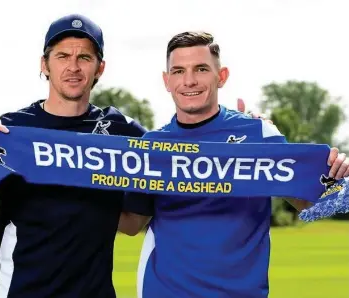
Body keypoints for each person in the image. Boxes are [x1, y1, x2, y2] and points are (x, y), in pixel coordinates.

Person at [0, 14, 152, 298]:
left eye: (84, 57)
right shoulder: (11, 132)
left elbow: (133, 224)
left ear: (100, 68)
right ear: (44, 64)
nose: (73, 66)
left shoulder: (122, 133)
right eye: (62, 56)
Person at [119, 32, 349, 298]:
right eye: (178, 71)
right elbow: (132, 224)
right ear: (166, 80)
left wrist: (337, 174)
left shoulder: (259, 135)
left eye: (201, 69)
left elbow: (311, 205)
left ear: (222, 76)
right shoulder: (152, 145)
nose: (189, 80)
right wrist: (78, 184)